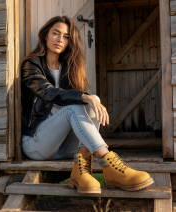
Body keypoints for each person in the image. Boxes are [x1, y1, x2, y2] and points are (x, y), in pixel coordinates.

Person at [20, 16, 154, 194]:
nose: (60, 39)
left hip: (65, 148)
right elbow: (49, 92)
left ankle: (81, 170)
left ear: (70, 41)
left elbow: (82, 102)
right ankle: (110, 164)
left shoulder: (69, 67)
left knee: (94, 100)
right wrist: (85, 97)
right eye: (55, 33)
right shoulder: (32, 65)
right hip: (37, 144)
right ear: (45, 35)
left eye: (66, 36)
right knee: (80, 103)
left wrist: (90, 99)